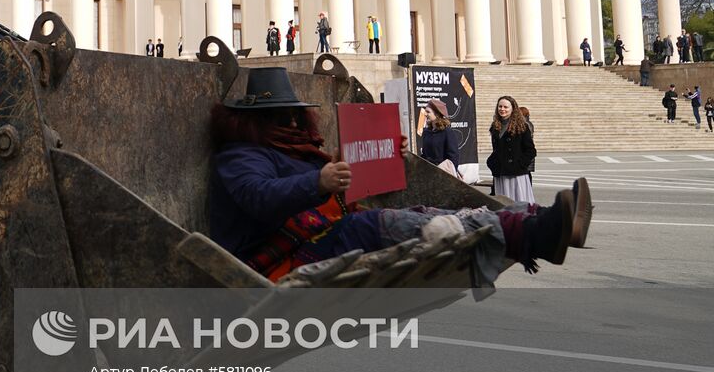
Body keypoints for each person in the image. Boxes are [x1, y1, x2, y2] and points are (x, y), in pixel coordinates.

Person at [207, 67, 578, 286]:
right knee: (373, 226)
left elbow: (341, 173)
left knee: (426, 214)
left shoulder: (293, 148)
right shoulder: (241, 154)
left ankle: (533, 222)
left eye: (291, 113)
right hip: (276, 257)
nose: (289, 120)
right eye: (279, 115)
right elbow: (258, 195)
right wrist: (318, 182)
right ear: (256, 120)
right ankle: (531, 234)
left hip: (315, 234)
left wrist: (389, 156)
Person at [487, 96, 536, 203]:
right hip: (500, 172)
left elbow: (531, 150)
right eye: (500, 106)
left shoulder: (522, 126)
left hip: (517, 174)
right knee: (502, 204)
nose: (502, 109)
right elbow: (496, 150)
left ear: (513, 108)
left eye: (506, 107)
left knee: (519, 204)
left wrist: (520, 165)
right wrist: (491, 162)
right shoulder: (495, 126)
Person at [419, 98, 461, 175]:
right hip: (428, 174)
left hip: (442, 175)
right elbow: (424, 155)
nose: (425, 114)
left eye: (428, 112)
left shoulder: (447, 132)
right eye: (425, 111)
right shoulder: (426, 132)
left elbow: (453, 157)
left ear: (437, 114)